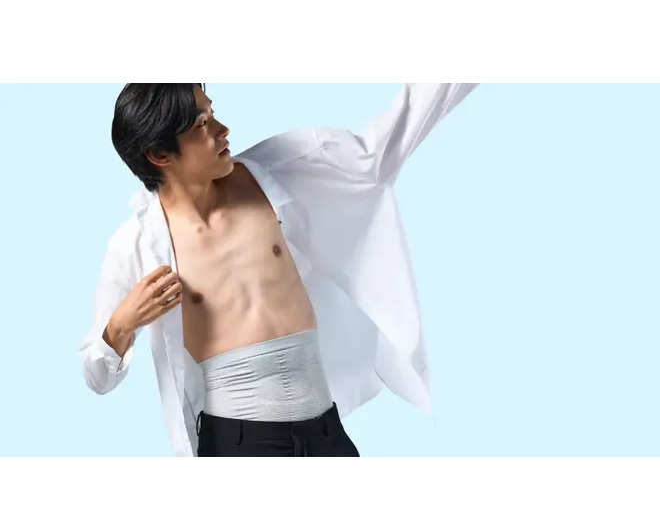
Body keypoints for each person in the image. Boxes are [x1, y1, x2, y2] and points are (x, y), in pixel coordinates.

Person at [79, 82, 480, 457]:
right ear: (160, 155)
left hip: (325, 429)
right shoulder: (135, 247)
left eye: (212, 113)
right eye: (202, 125)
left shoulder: (273, 173)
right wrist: (122, 324)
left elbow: (380, 151)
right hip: (237, 443)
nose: (222, 130)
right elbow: (96, 376)